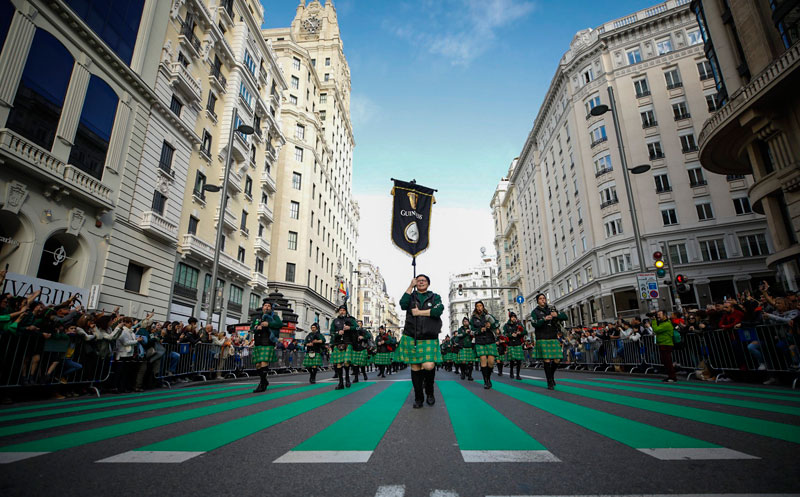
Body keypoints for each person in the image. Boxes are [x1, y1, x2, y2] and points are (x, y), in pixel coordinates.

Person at [397, 275, 444, 408]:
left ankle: (430, 391)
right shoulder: (411, 296)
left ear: (428, 283)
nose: (421, 282)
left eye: (424, 280)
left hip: (429, 335)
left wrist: (420, 313)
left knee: (428, 366)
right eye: (418, 280)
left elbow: (438, 311)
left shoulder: (435, 297)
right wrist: (410, 286)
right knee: (416, 366)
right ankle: (419, 397)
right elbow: (402, 305)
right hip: (412, 335)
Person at [531, 293, 568, 390]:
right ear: (537, 301)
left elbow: (565, 317)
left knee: (557, 359)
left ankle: (550, 376)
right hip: (542, 337)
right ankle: (549, 382)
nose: (543, 300)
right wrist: (544, 319)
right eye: (540, 299)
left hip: (553, 336)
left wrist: (557, 315)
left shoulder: (551, 308)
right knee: (546, 360)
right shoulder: (535, 312)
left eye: (544, 298)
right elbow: (534, 324)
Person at [252, 302, 283, 393]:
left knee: (264, 362)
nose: (267, 307)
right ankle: (265, 381)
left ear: (271, 308)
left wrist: (268, 324)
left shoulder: (274, 317)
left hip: (268, 342)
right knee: (258, 364)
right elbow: (251, 327)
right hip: (258, 342)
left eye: (269, 306)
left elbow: (279, 324)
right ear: (262, 307)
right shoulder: (258, 317)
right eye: (265, 305)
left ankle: (262, 383)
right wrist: (256, 327)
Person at [471, 301, 499, 389]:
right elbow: (472, 331)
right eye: (477, 306)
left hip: (490, 339)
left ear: (483, 307)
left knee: (491, 362)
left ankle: (489, 377)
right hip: (479, 341)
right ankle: (486, 381)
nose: (479, 307)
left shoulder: (489, 316)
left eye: (480, 306)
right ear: (475, 308)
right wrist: (480, 330)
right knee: (483, 360)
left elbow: (497, 324)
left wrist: (490, 325)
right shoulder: (473, 319)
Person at [330, 305, 357, 390]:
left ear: (346, 311)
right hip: (338, 343)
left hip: (348, 342)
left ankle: (347, 380)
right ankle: (340, 383)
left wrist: (350, 327)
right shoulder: (335, 321)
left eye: (343, 310)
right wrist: (338, 333)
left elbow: (357, 327)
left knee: (346, 362)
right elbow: (331, 332)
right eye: (340, 310)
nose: (342, 311)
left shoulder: (350, 320)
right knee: (338, 363)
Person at [653, 309, 677, 382]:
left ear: (665, 315)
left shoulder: (667, 324)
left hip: (666, 344)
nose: (658, 316)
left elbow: (656, 329)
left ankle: (672, 377)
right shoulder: (663, 323)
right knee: (665, 361)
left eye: (660, 315)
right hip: (662, 343)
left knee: (668, 361)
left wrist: (653, 321)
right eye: (658, 315)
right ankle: (670, 376)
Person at [503, 312, 527, 380]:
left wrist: (520, 333)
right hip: (511, 344)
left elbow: (525, 332)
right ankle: (511, 372)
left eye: (514, 317)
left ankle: (518, 375)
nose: (513, 318)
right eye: (512, 317)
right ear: (510, 318)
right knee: (512, 360)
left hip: (518, 343)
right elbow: (504, 334)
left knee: (519, 360)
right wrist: (511, 335)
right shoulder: (506, 325)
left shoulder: (519, 324)